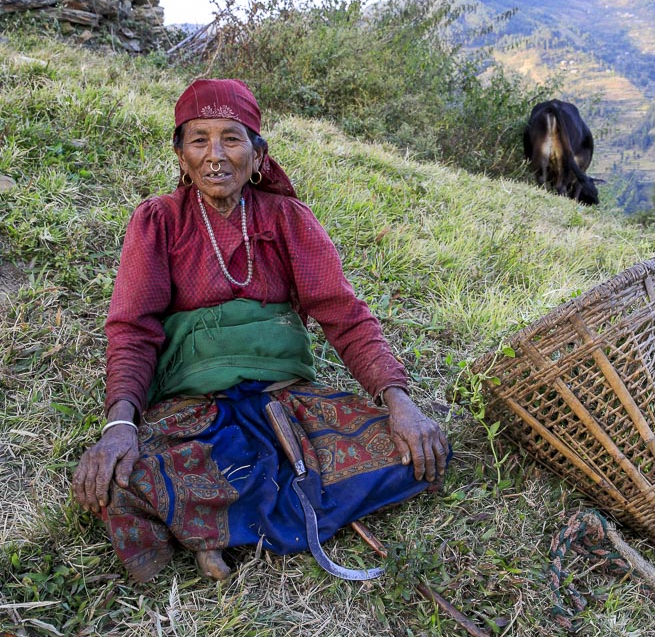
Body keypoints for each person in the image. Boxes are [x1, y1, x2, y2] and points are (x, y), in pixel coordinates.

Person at [72, 77, 449, 582]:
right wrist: (119, 427)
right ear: (181, 154)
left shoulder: (288, 219)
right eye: (198, 139)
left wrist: (400, 403)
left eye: (231, 138)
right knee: (120, 480)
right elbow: (132, 331)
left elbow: (344, 312)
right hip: (193, 409)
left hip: (284, 399)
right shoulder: (158, 221)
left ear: (258, 154)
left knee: (416, 452)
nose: (215, 155)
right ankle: (236, 516)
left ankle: (210, 523)